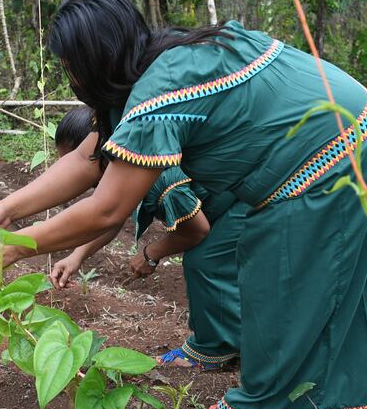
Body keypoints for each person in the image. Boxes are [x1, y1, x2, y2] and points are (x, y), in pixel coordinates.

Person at [0, 0, 367, 409]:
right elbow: (85, 160)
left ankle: (269, 407)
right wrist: (4, 208)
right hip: (356, 124)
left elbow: (107, 210)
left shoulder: (157, 94)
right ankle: (260, 363)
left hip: (330, 150)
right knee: (251, 258)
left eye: (70, 66)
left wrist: (17, 247)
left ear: (93, 61)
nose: (71, 79)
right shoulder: (166, 61)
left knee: (285, 277)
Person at [47, 106, 243, 369]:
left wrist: (151, 254)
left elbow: (196, 231)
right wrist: (76, 256)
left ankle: (214, 351)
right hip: (226, 201)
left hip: (245, 200)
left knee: (204, 260)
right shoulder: (130, 164)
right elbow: (112, 217)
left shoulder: (160, 176)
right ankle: (238, 341)